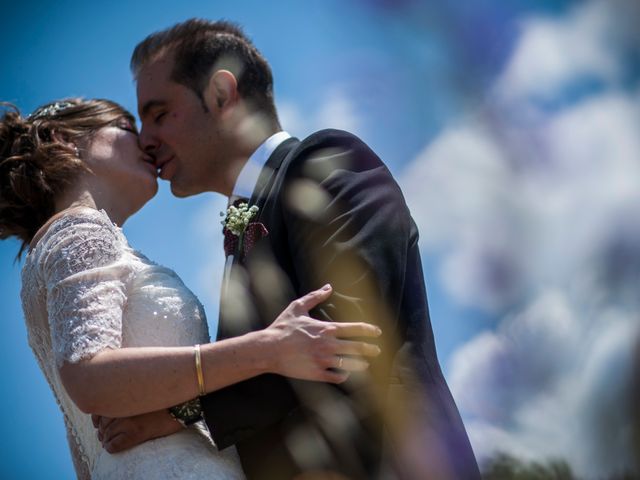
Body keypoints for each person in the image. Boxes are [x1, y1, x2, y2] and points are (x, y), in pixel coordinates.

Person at [99, 19, 480, 479]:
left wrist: (179, 412)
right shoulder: (245, 221)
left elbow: (339, 335)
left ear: (222, 95)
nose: (146, 139)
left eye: (159, 114)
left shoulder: (325, 162)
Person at [0, 98, 383, 479]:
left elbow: (86, 451)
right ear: (63, 138)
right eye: (128, 128)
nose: (147, 143)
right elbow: (88, 377)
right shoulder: (80, 232)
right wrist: (268, 348)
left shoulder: (57, 248)